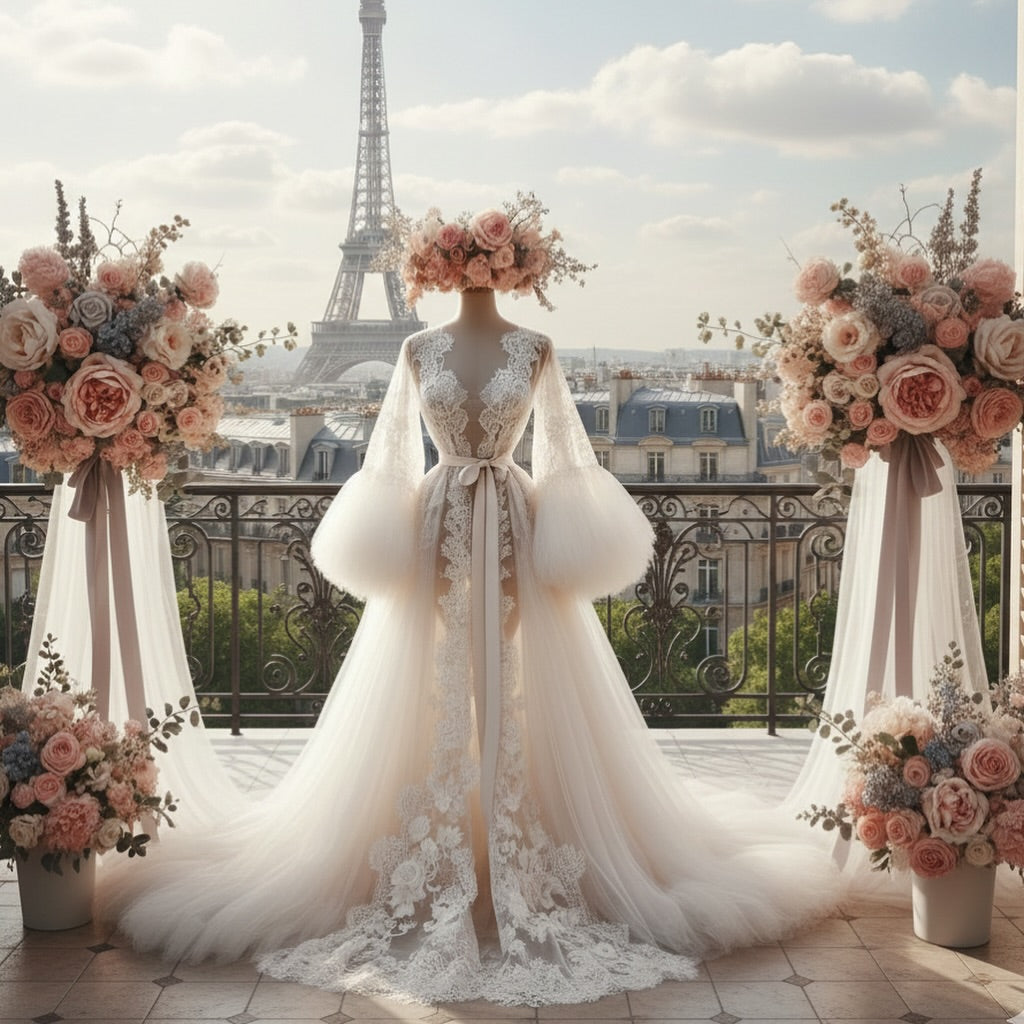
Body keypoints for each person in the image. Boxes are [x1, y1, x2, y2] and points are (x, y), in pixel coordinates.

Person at [101, 195, 838, 1007]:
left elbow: (544, 450)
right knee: (449, 676)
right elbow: (432, 456)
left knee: (477, 673)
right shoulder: (423, 346)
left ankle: (492, 838)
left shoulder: (525, 348)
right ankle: (470, 837)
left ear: (454, 263)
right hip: (457, 517)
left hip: (479, 513)